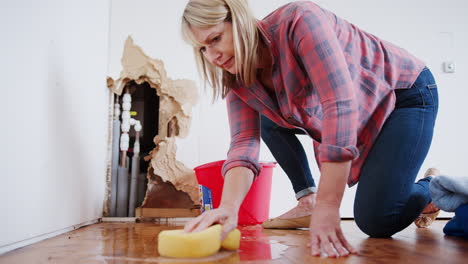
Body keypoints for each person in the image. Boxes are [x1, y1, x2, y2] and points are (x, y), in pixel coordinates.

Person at [181, 0, 439, 258]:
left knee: (377, 221)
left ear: (239, 21)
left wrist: (328, 206)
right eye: (202, 48)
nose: (212, 56)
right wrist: (229, 207)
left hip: (404, 94)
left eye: (215, 39)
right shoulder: (235, 76)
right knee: (268, 117)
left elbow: (339, 105)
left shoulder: (299, 20)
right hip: (363, 109)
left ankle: (434, 188)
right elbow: (244, 141)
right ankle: (308, 199)